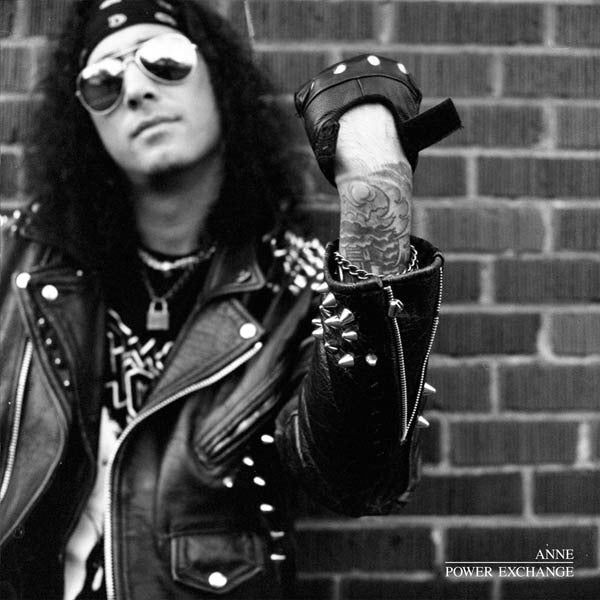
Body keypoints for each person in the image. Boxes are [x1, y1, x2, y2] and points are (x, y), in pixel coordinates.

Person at [0, 0, 460, 598]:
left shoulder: (294, 290)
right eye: (102, 80)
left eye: (164, 60)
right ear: (83, 119)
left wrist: (372, 189)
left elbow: (358, 478)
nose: (134, 90)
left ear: (219, 78)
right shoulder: (12, 267)